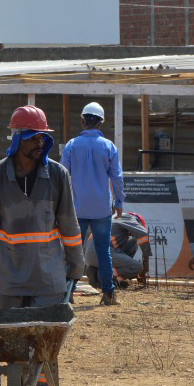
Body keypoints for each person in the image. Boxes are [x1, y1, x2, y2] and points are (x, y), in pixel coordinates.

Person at [0, 105, 85, 386]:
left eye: (43, 138)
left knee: (44, 338)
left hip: (48, 273)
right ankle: (19, 380)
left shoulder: (57, 176)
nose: (40, 144)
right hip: (9, 274)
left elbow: (70, 225)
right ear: (17, 139)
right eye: (34, 138)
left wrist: (76, 266)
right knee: (14, 338)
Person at [60, 101, 125, 306]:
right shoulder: (109, 147)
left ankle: (68, 292)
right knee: (103, 250)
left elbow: (62, 175)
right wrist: (119, 201)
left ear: (82, 121)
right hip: (101, 209)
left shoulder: (71, 145)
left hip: (76, 208)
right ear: (101, 123)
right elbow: (117, 178)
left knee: (73, 249)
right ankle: (108, 294)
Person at [83, 211, 150, 288]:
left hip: (90, 257)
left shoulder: (112, 221)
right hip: (102, 252)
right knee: (137, 267)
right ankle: (103, 276)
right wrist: (145, 266)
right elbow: (143, 234)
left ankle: (97, 272)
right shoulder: (128, 218)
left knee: (133, 242)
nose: (131, 234)